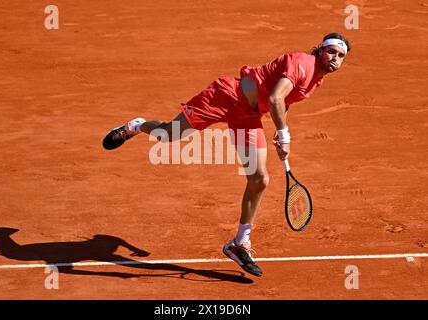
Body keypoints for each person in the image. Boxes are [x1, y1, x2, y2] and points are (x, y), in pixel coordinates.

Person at [102, 32, 351, 277]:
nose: (335, 58)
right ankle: (135, 126)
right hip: (226, 96)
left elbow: (283, 103)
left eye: (340, 56)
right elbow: (275, 98)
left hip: (249, 117)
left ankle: (239, 243)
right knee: (169, 134)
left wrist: (279, 131)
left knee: (259, 179)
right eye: (331, 51)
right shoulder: (302, 63)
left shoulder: (316, 80)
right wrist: (284, 134)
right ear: (320, 50)